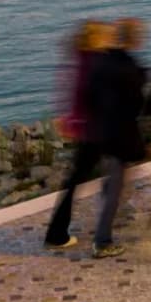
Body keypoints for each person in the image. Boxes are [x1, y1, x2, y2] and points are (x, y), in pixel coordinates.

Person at [44, 20, 111, 250]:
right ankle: (59, 233)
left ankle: (58, 231)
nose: (108, 39)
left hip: (86, 129)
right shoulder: (94, 63)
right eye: (104, 36)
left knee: (77, 180)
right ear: (94, 39)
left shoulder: (80, 60)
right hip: (95, 130)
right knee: (110, 174)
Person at [89, 18, 149, 259]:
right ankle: (102, 241)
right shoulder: (129, 66)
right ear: (133, 38)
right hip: (121, 134)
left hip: (102, 130)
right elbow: (136, 103)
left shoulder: (102, 61)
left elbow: (92, 95)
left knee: (113, 182)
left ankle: (115, 216)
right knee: (115, 186)